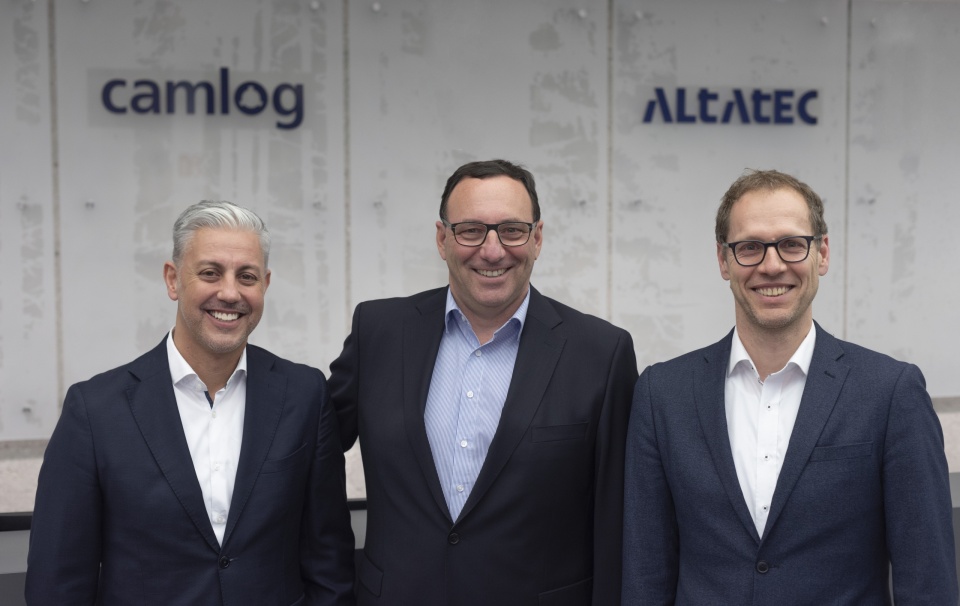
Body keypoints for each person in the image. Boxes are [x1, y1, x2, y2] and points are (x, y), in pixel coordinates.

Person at [622, 169, 958, 604]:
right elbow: (646, 574)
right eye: (749, 247)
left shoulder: (890, 392)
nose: (772, 265)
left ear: (822, 254)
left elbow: (927, 578)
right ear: (723, 260)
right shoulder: (662, 394)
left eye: (792, 244)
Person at [329, 159, 638, 605]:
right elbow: (310, 454)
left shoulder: (601, 353)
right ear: (442, 239)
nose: (492, 251)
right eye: (471, 230)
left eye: (512, 230)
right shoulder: (378, 331)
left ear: (537, 238)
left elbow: (618, 518)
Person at [26, 200, 354, 605]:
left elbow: (329, 559)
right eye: (210, 273)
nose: (230, 292)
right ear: (173, 280)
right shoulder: (95, 411)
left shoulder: (305, 394)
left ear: (265, 285)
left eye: (247, 276)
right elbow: (57, 581)